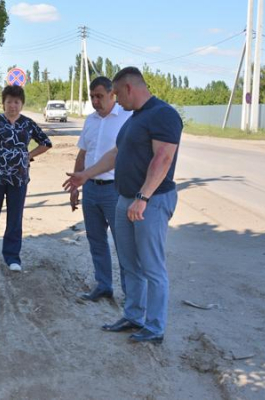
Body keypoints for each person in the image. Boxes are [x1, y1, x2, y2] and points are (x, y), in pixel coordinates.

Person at [63, 67, 182, 343]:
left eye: (116, 93)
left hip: (150, 201)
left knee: (152, 266)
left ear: (129, 88)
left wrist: (143, 198)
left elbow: (163, 159)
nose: (115, 99)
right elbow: (116, 154)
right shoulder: (135, 118)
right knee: (129, 264)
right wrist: (86, 174)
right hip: (126, 199)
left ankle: (154, 327)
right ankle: (134, 316)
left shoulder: (163, 114)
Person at [0, 85, 52, 272]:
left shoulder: (28, 123)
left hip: (19, 180)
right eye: (9, 101)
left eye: (16, 102)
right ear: (3, 103)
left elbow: (46, 143)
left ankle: (12, 257)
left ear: (22, 104)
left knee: (15, 220)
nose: (13, 105)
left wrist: (28, 155)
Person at [71, 76, 131, 302]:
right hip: (91, 190)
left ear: (112, 95)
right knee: (96, 240)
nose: (96, 101)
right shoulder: (90, 121)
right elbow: (83, 153)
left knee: (123, 243)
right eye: (92, 97)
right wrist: (75, 186)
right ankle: (103, 285)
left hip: (115, 190)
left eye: (100, 96)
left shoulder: (127, 118)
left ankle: (130, 294)